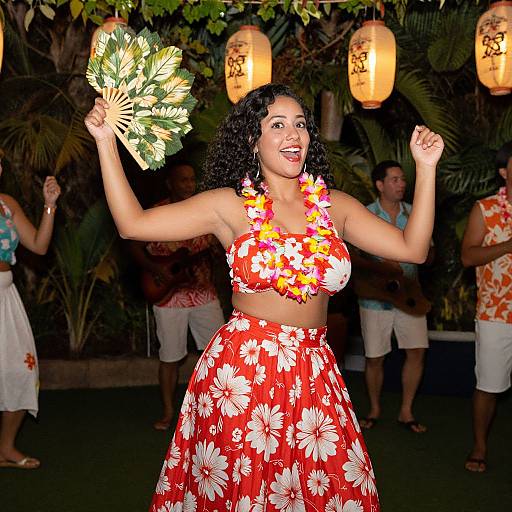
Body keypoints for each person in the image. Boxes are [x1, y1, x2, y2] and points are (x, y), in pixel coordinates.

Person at [85, 83, 443, 511]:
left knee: (322, 491)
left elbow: (413, 249)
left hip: (314, 371)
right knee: (244, 490)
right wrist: (107, 143)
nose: (293, 135)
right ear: (252, 141)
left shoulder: (335, 206)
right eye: (277, 125)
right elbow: (132, 223)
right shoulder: (228, 205)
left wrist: (426, 169)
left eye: (300, 125)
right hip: (244, 370)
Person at [130, 162, 225, 431]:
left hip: (203, 292)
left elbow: (217, 250)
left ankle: (217, 412)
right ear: (170, 184)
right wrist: (155, 268)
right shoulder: (156, 213)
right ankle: (169, 412)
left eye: (191, 179)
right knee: (170, 357)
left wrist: (220, 253)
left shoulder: (205, 212)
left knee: (217, 355)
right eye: (182, 180)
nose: (188, 184)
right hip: (169, 295)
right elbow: (134, 245)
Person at [355, 161, 432, 433]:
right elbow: (353, 258)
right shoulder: (364, 214)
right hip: (375, 298)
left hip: (410, 296)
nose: (402, 184)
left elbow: (429, 252)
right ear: (380, 184)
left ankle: (406, 410)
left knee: (416, 352)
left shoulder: (415, 213)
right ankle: (374, 409)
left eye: (403, 179)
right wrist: (382, 267)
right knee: (375, 357)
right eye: (395, 179)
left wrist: (422, 254)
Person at [0, 153, 61, 469]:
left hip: (6, 296)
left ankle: (6, 448)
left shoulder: (6, 202)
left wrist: (49, 205)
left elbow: (38, 245)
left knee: (21, 370)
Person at [461, 141, 512, 473]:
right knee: (490, 385)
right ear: (504, 172)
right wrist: (508, 245)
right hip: (497, 313)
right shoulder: (486, 209)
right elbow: (468, 256)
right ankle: (479, 446)